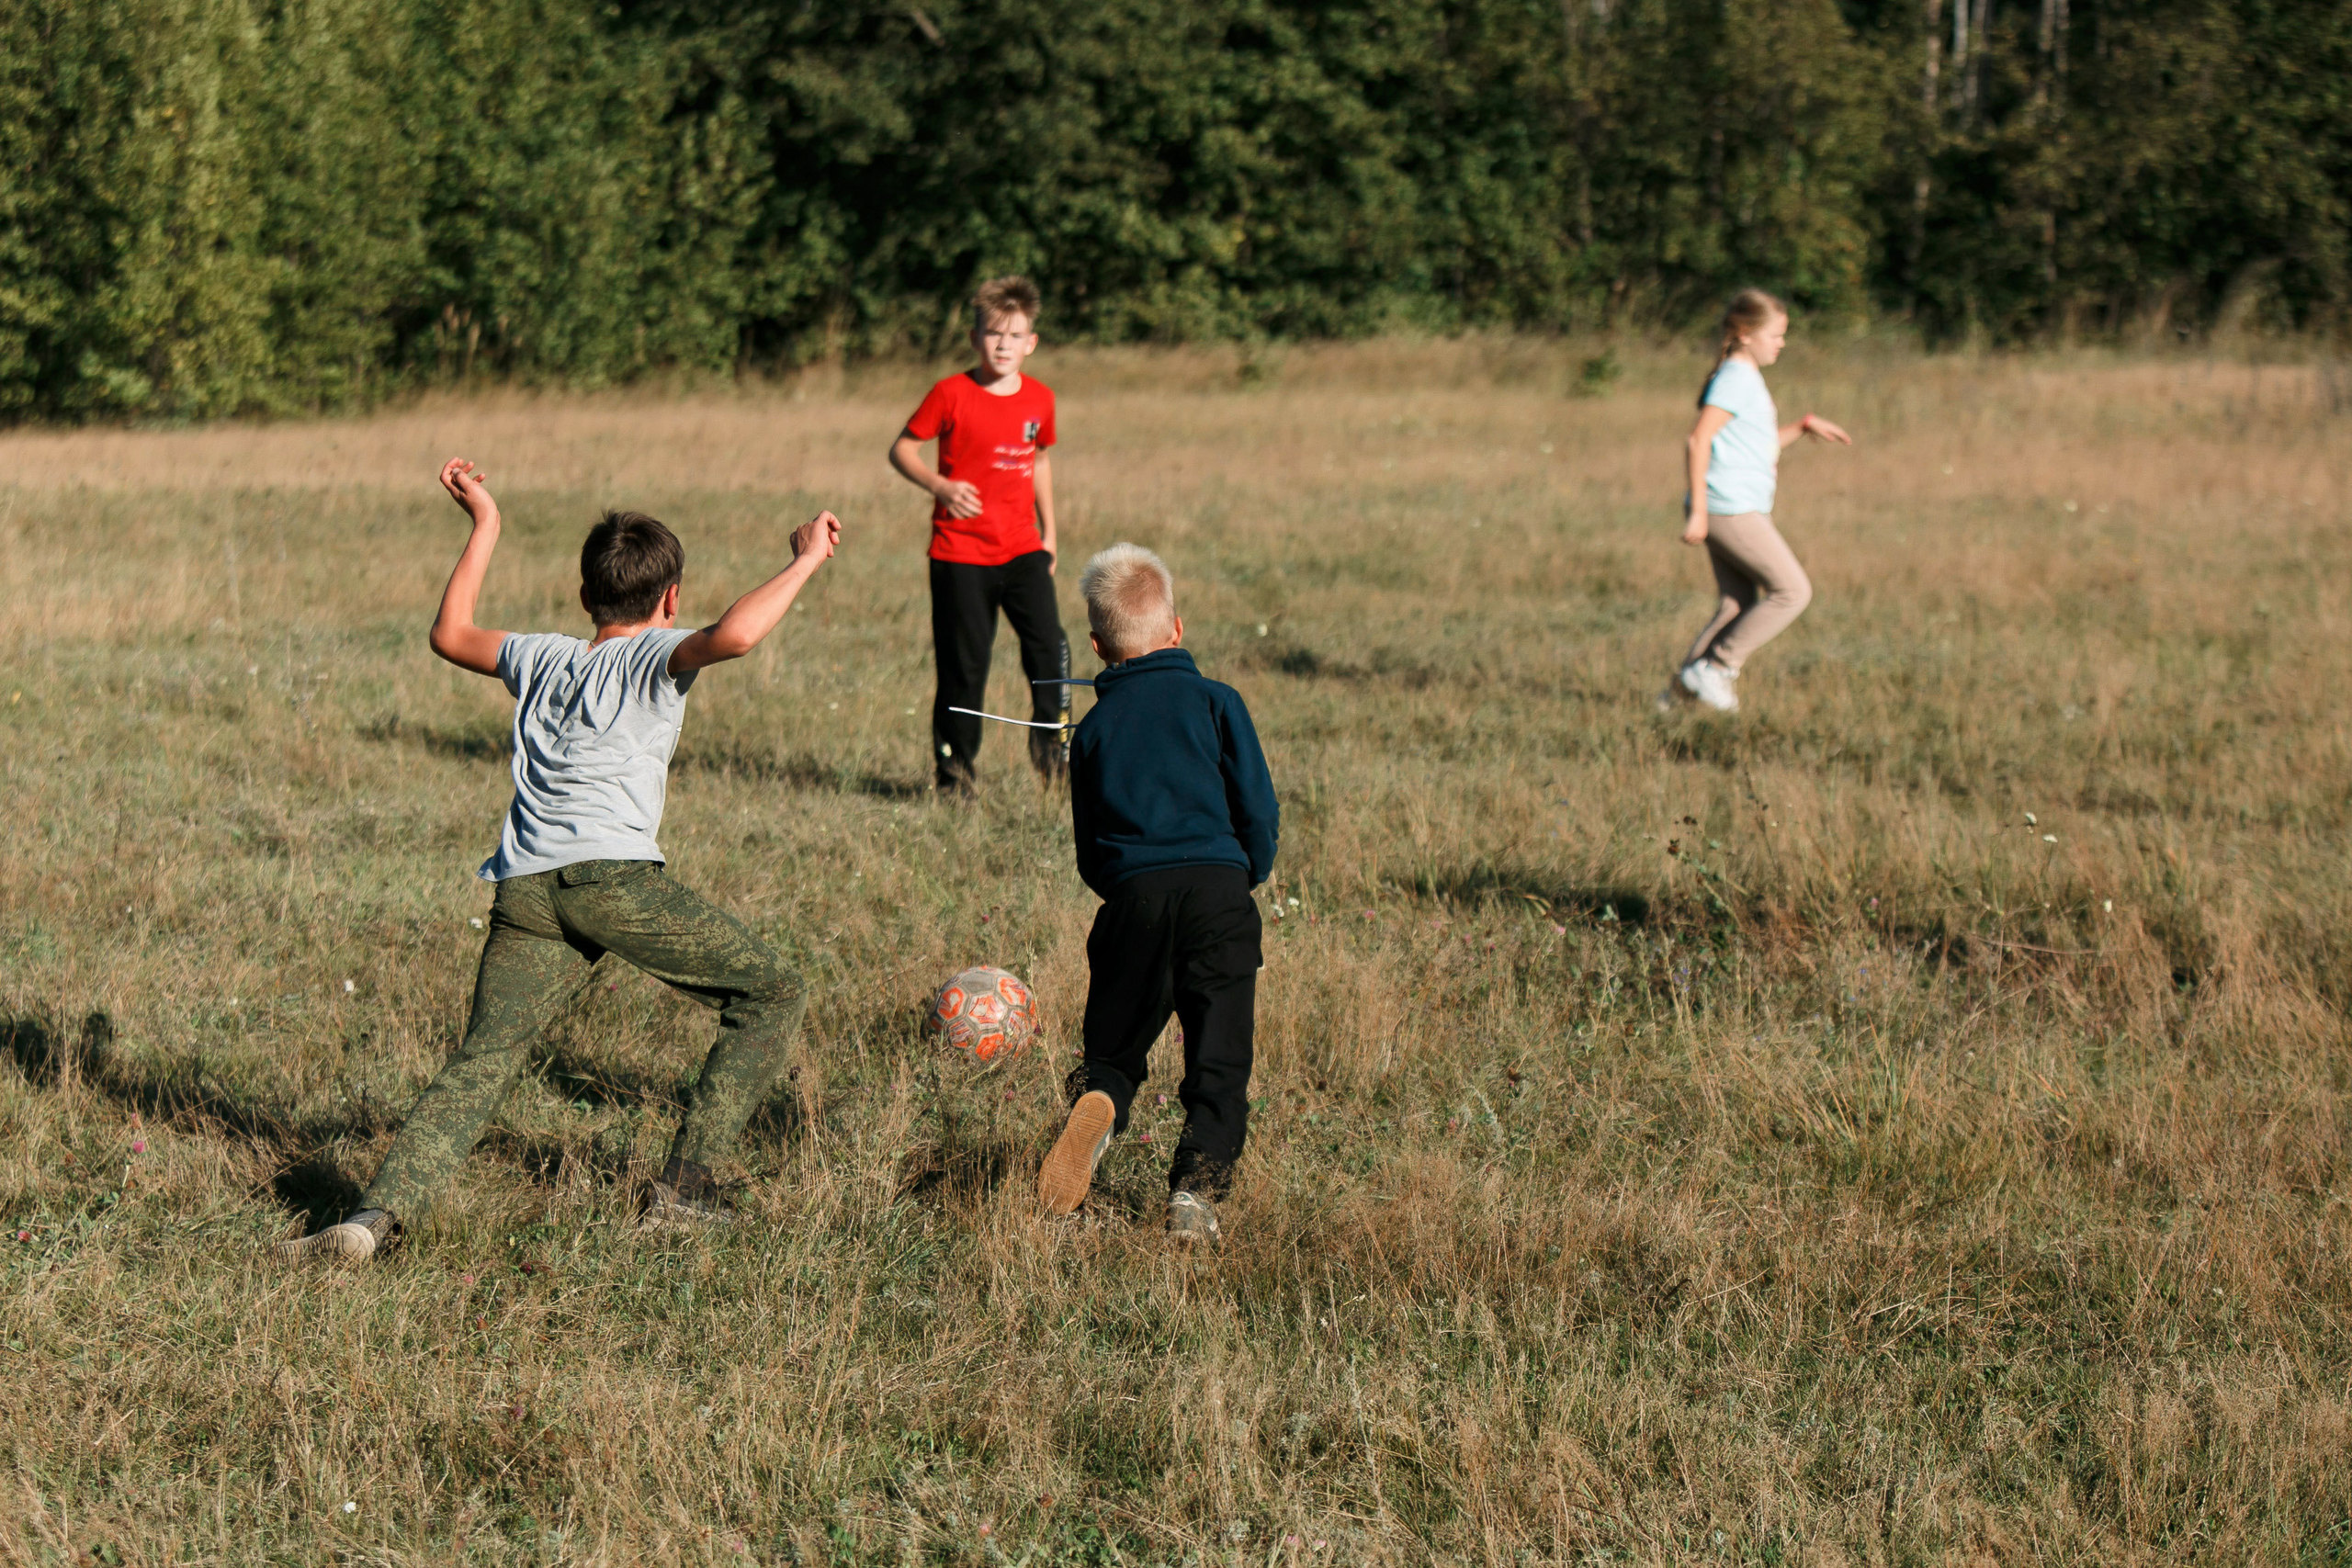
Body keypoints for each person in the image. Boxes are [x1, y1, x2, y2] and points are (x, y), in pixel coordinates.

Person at [279, 459, 841, 1261]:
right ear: (671, 599)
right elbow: (741, 634)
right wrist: (807, 558)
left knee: (484, 1059)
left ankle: (371, 1219)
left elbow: (449, 633)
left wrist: (486, 525)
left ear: (585, 598)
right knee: (773, 990)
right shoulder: (655, 657)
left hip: (525, 887)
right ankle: (686, 1190)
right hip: (610, 879)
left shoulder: (543, 656)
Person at [1036, 545, 1278, 1242]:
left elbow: (1092, 848)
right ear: (1176, 627)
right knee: (1218, 1059)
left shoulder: (1096, 728)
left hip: (1133, 899)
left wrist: (1123, 887)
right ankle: (1194, 1197)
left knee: (1113, 1048)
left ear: (1098, 647)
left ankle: (1103, 1102)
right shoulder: (1217, 701)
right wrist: (1243, 873)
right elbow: (1257, 811)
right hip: (1218, 895)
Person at [888, 276, 1070, 793]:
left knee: (1050, 649)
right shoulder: (950, 393)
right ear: (975, 338)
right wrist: (939, 485)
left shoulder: (1040, 400)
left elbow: (1040, 462)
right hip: (960, 555)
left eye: (1015, 336)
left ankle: (1052, 754)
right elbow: (902, 449)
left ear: (1031, 343)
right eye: (993, 334)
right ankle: (955, 774)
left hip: (1023, 549)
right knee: (964, 668)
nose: (1004, 345)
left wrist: (1050, 533)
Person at [1664, 288, 1853, 714]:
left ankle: (1676, 700)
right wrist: (1697, 512)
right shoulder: (1736, 378)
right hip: (1727, 506)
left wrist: (1803, 427)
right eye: (1776, 335)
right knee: (1792, 591)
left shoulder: (1744, 376)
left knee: (1738, 605)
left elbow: (1757, 445)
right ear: (1746, 334)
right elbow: (1699, 440)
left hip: (1726, 504)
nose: (1781, 344)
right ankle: (1716, 669)